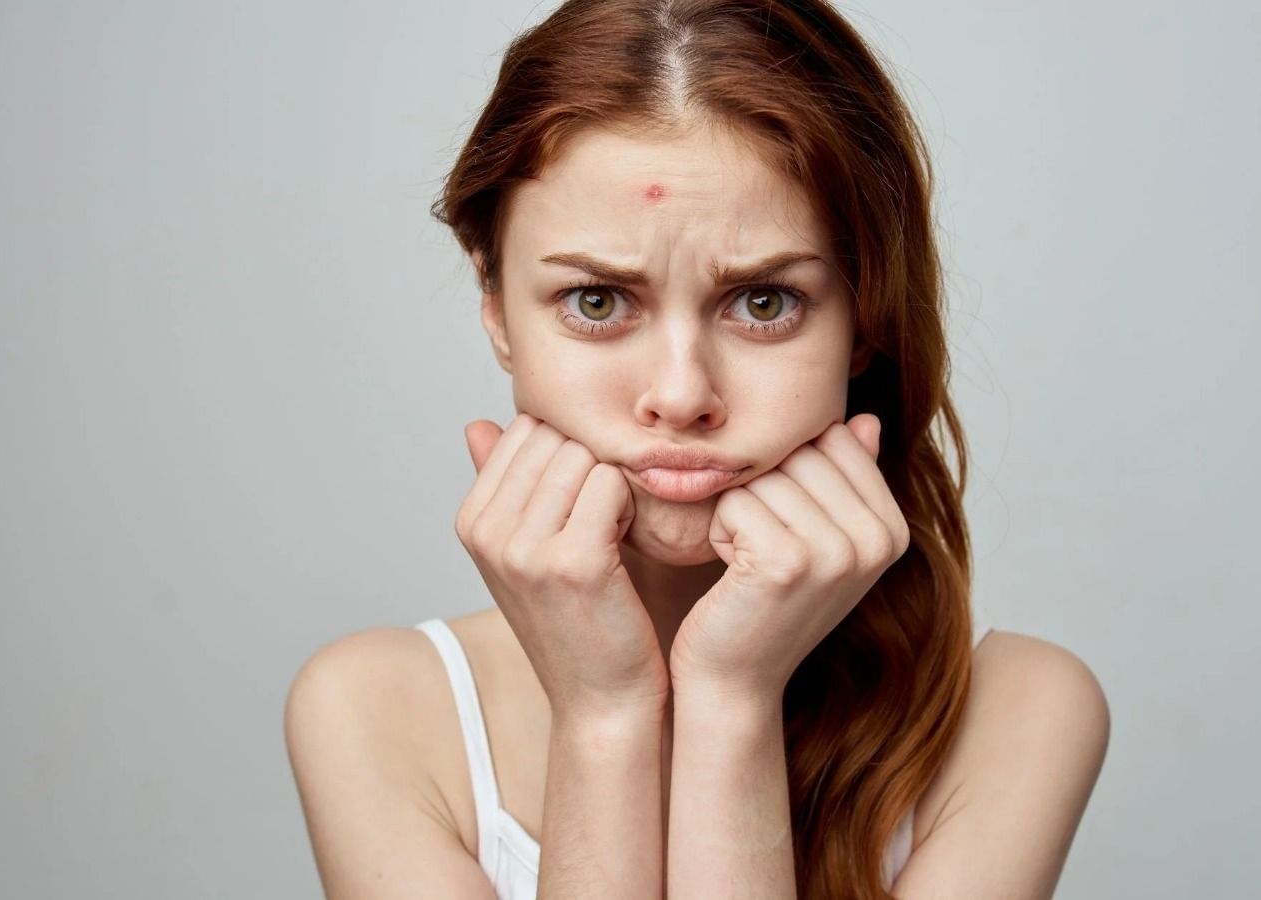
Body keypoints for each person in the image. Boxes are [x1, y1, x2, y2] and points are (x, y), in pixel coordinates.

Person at [284, 1, 1110, 897]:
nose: (681, 395)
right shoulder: (374, 712)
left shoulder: (1021, 714)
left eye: (763, 302)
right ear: (495, 307)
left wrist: (730, 700)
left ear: (866, 318)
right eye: (597, 301)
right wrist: (605, 714)